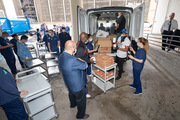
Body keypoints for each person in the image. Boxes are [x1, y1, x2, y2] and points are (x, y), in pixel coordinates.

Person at [59, 40, 89, 119]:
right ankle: (80, 115)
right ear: (72, 48)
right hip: (77, 85)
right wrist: (81, 60)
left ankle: (73, 104)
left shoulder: (62, 55)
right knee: (81, 101)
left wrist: (77, 59)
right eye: (75, 47)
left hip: (68, 81)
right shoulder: (73, 60)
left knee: (71, 93)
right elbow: (85, 65)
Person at [0, 54, 29, 120]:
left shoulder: (1, 69)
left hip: (4, 100)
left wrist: (14, 80)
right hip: (9, 99)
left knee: (11, 114)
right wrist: (18, 93)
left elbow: (5, 77)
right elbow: (6, 86)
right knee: (20, 114)